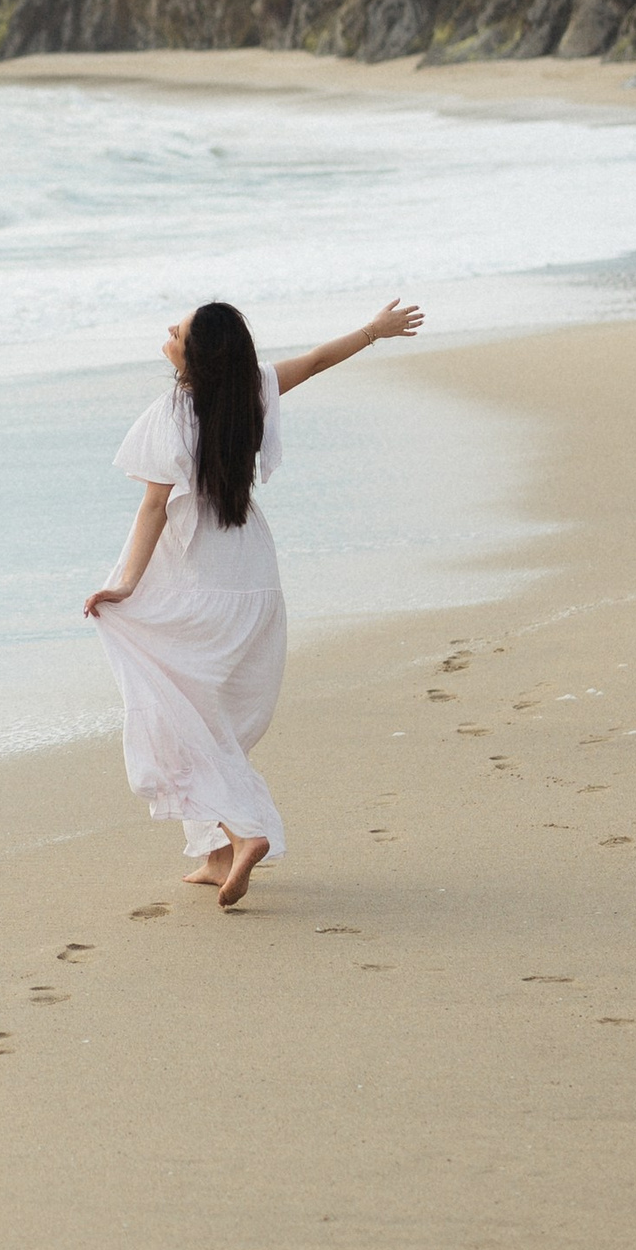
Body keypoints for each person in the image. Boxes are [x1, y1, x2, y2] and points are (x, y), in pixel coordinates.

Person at [84, 294, 422, 910]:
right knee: (208, 722)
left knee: (173, 720)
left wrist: (127, 585)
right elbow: (316, 361)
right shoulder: (252, 391)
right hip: (254, 580)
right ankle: (215, 856)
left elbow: (154, 507)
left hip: (199, 587)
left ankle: (244, 832)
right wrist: (373, 331)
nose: (169, 329)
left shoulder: (171, 414)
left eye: (180, 330)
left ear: (196, 357)